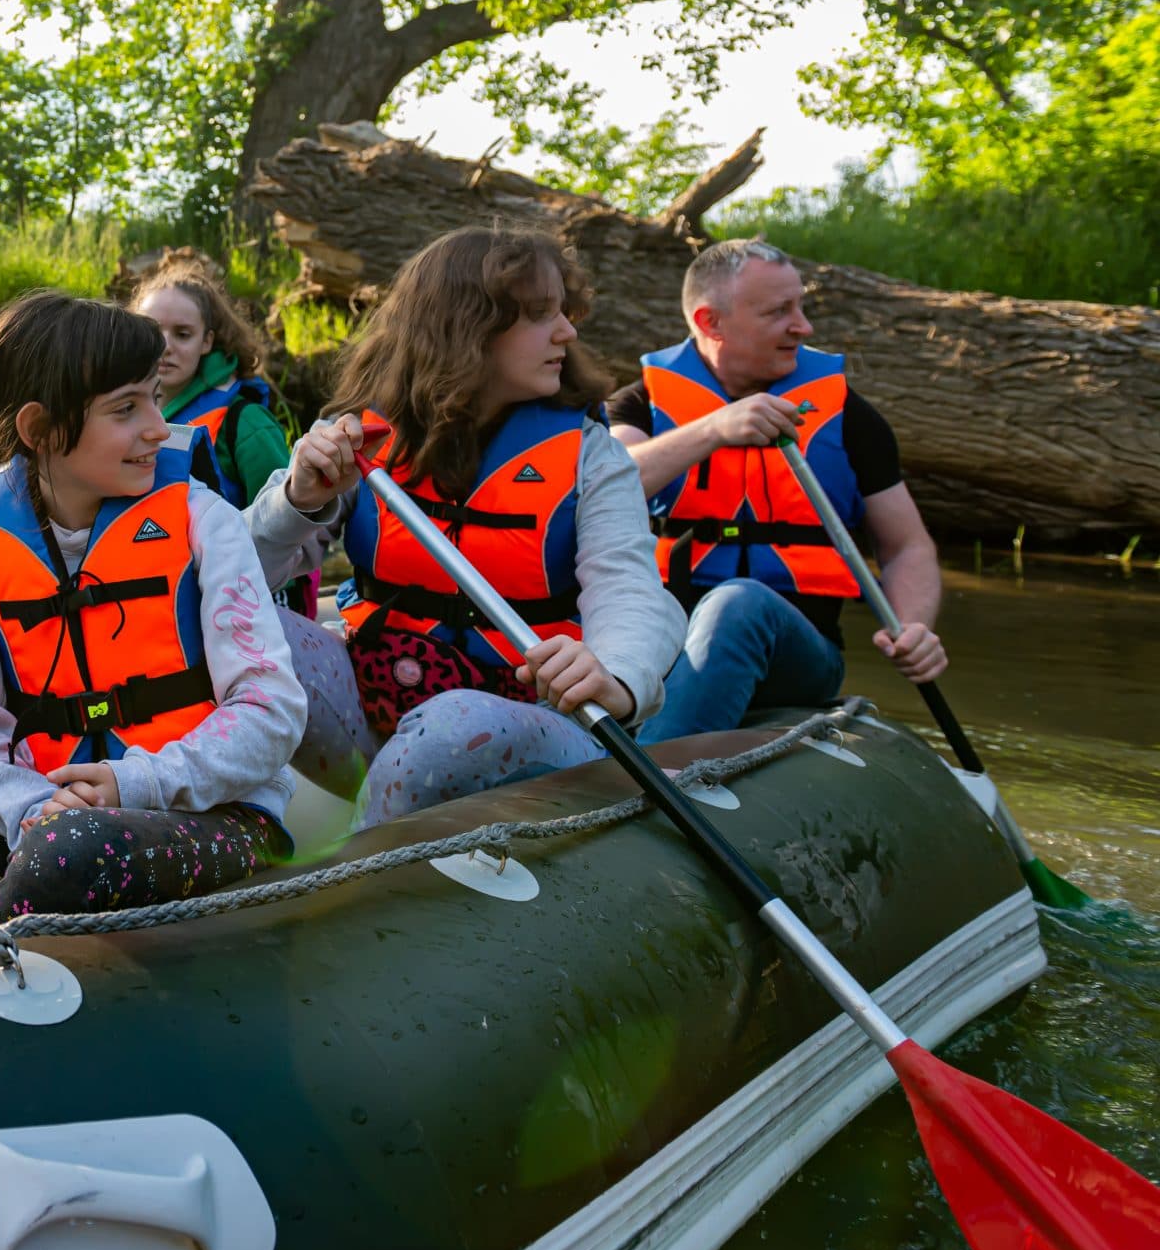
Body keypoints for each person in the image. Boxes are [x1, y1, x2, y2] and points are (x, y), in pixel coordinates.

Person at [0, 292, 333, 925]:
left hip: (216, 815)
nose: (158, 428)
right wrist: (29, 806)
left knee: (66, 853)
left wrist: (133, 783)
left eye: (155, 399)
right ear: (40, 430)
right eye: (126, 409)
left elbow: (272, 712)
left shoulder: (203, 521)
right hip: (49, 820)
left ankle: (2, 972)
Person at [272, 227, 684, 826]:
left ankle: (360, 868)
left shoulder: (592, 456)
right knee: (249, 625)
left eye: (563, 312)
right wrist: (295, 502)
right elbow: (234, 577)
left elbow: (630, 589)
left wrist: (617, 676)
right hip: (382, 699)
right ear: (466, 328)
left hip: (527, 726)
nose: (567, 332)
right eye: (541, 315)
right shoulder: (356, 438)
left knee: (453, 725)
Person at [608, 238, 945, 742]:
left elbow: (907, 546)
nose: (803, 327)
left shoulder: (850, 416)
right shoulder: (636, 407)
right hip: (658, 643)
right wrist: (714, 429)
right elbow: (607, 488)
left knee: (739, 604)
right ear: (710, 322)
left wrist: (914, 624)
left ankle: (653, 777)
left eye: (801, 307)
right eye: (779, 311)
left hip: (796, 656)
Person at [128, 249, 290, 510]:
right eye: (151, 331)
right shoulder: (112, 413)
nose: (165, 346)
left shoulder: (247, 423)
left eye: (183, 334)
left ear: (206, 341)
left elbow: (286, 520)